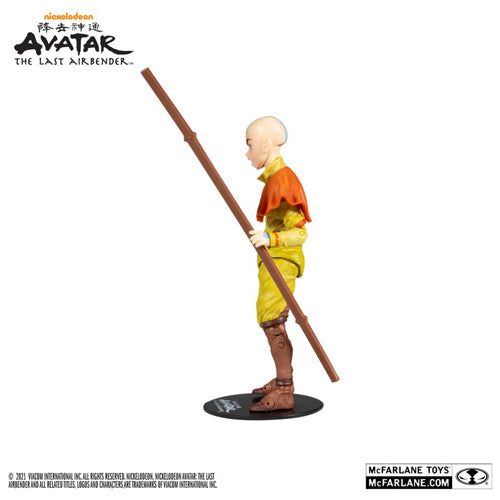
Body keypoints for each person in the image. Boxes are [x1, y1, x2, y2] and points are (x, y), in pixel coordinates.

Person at [245, 116, 311, 411]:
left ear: (267, 144)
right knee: (269, 319)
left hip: (282, 262)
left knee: (272, 321)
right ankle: (283, 380)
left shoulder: (284, 180)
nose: (247, 153)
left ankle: (285, 389)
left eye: (250, 145)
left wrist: (270, 239)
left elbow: (300, 233)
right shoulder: (275, 178)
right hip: (274, 261)